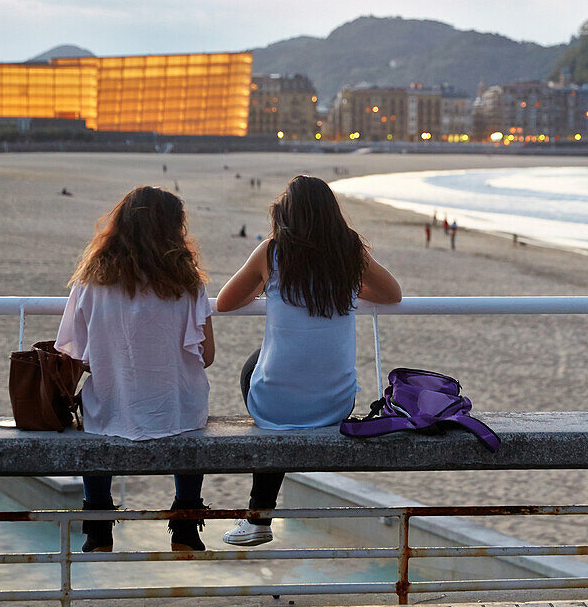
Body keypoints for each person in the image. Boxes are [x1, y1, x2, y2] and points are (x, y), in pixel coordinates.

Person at [216, 175, 401, 546]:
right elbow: (392, 294)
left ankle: (257, 516)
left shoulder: (273, 251)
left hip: (277, 403)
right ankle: (257, 514)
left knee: (256, 368)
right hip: (335, 405)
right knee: (283, 380)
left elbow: (225, 302)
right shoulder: (347, 251)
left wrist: (268, 285)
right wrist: (344, 282)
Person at [54, 186, 216, 553]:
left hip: (115, 405)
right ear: (174, 230)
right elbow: (206, 355)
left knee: (97, 410)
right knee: (189, 409)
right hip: (174, 408)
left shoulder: (91, 282)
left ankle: (98, 525)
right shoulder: (189, 283)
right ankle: (186, 524)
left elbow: (75, 356)